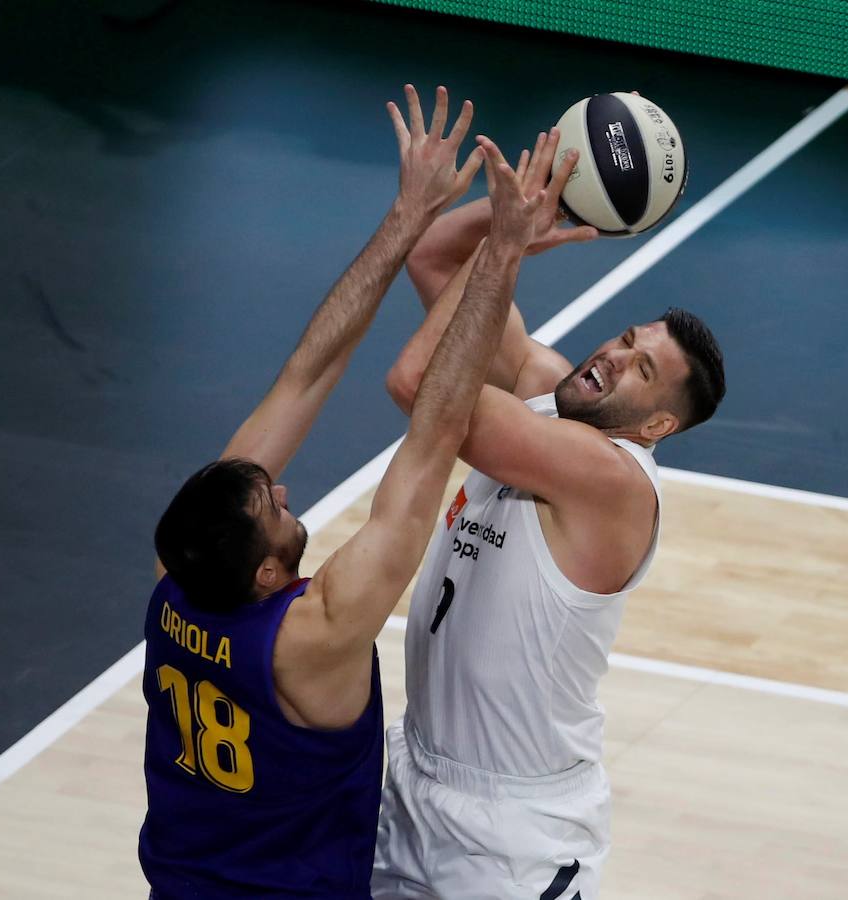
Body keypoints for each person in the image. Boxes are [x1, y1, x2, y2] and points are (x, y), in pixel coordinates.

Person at [138, 83, 551, 899]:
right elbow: (435, 434)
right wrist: (499, 253)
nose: (284, 490)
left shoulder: (176, 578)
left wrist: (409, 215)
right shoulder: (314, 635)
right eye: (275, 509)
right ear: (266, 574)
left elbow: (307, 373)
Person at [374, 128, 726, 898]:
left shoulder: (612, 479)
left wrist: (506, 250)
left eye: (641, 368)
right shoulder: (545, 391)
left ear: (657, 424)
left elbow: (419, 388)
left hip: (516, 833)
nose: (614, 355)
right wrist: (529, 210)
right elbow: (434, 258)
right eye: (626, 339)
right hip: (413, 781)